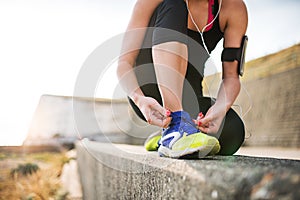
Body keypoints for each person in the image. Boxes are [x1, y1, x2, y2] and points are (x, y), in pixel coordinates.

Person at [117, 0, 248, 158]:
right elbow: (124, 64)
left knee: (232, 132)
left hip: (190, 99)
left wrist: (221, 107)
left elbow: (231, 77)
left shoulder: (232, 8)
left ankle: (167, 133)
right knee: (175, 2)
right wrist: (139, 99)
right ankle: (175, 128)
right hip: (148, 94)